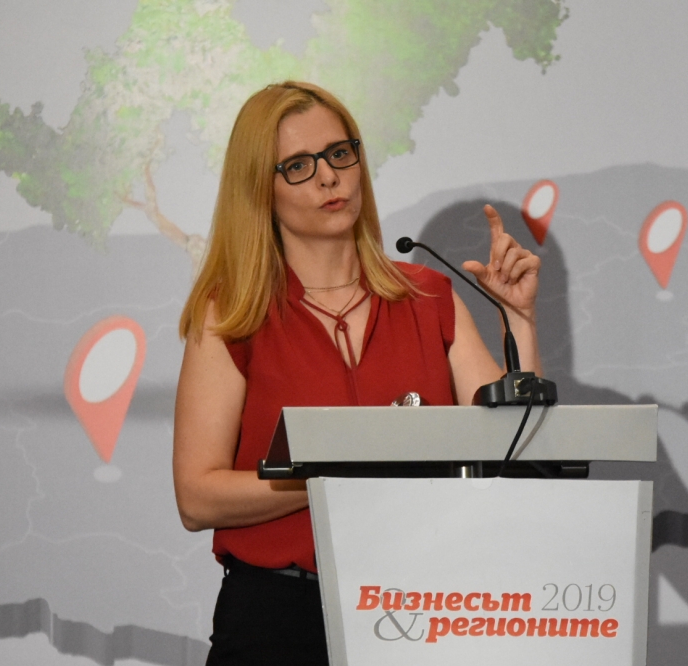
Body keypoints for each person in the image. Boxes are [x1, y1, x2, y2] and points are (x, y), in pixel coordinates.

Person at [172, 81, 543, 665]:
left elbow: (514, 450)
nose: (329, 177)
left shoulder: (430, 296)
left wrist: (517, 319)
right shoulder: (232, 313)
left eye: (339, 153)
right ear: (260, 188)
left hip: (422, 608)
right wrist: (343, 472)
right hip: (278, 620)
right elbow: (197, 497)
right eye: (299, 165)